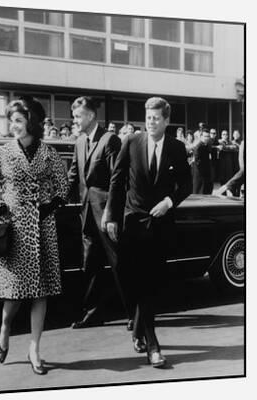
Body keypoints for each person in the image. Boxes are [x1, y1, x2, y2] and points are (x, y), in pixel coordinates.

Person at [0, 96, 69, 375]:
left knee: (41, 292)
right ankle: (5, 327)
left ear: (32, 121)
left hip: (42, 227)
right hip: (12, 227)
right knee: (14, 292)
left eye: (18, 120)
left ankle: (34, 348)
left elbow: (63, 186)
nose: (13, 126)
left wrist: (51, 205)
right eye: (10, 121)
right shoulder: (2, 153)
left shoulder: (49, 153)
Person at [102, 97, 192, 367]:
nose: (151, 122)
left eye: (156, 118)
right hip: (132, 222)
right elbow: (117, 181)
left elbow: (186, 183)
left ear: (166, 121)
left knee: (152, 284)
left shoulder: (176, 147)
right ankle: (153, 345)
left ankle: (142, 331)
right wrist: (111, 216)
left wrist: (169, 202)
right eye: (148, 117)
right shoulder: (132, 142)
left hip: (161, 224)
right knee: (137, 282)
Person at [67, 96, 127, 329]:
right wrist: (54, 199)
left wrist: (111, 215)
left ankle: (134, 314)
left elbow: (117, 180)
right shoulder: (80, 141)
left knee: (119, 265)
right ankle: (93, 313)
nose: (75, 120)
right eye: (74, 116)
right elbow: (73, 176)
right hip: (87, 216)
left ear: (91, 115)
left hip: (106, 215)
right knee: (90, 265)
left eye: (78, 116)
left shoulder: (110, 139)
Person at [192, 130, 213, 194]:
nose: (207, 138)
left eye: (208, 136)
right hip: (200, 175)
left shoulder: (207, 146)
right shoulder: (199, 147)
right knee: (199, 193)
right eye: (205, 136)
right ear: (201, 137)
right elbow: (197, 161)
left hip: (206, 174)